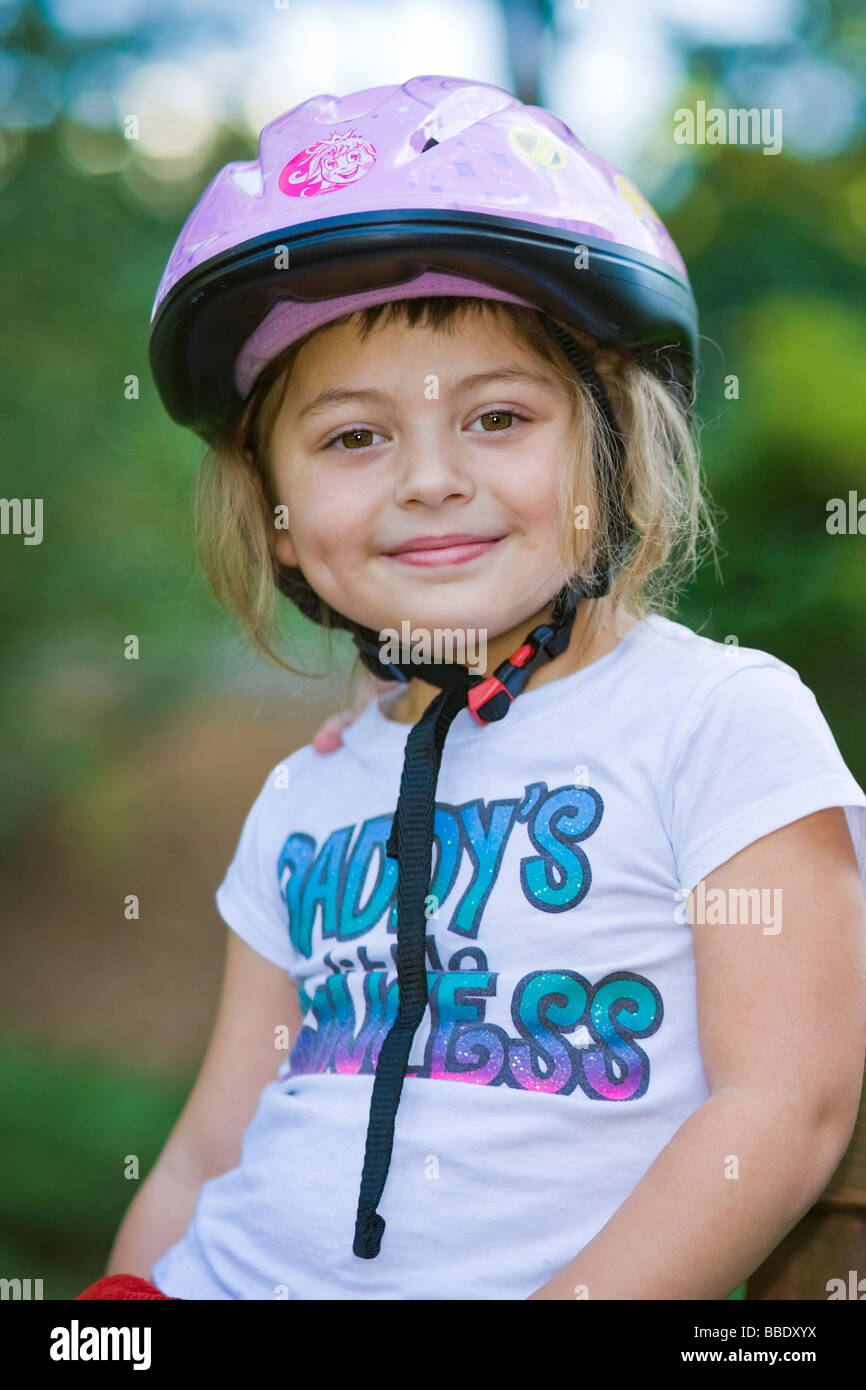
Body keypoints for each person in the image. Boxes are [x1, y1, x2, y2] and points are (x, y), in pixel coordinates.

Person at [78, 75, 866, 1302]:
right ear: (276, 515)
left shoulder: (717, 722)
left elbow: (782, 1107)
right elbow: (202, 1151)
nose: (430, 478)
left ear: (611, 451)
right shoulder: (302, 794)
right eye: (353, 437)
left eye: (498, 417)